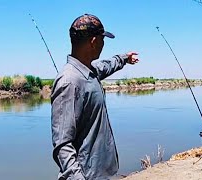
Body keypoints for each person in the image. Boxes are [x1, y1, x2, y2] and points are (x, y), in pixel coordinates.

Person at [51, 14, 139, 179]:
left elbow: (106, 66)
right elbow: (62, 144)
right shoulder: (69, 81)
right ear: (93, 42)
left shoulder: (88, 72)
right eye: (102, 40)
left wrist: (124, 58)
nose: (103, 45)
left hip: (100, 172)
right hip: (87, 175)